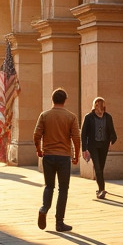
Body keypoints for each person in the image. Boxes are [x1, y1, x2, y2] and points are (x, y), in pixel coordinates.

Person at [33, 88, 82, 232]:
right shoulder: (71, 117)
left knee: (49, 186)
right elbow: (76, 138)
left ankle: (44, 208)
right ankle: (59, 222)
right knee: (63, 189)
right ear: (65, 100)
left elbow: (36, 135)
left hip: (48, 156)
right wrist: (76, 155)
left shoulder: (45, 115)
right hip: (63, 156)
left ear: (52, 100)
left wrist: (39, 149)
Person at [80, 96, 118, 200]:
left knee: (100, 167)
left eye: (101, 107)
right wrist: (84, 149)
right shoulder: (89, 117)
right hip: (93, 146)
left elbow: (113, 133)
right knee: (97, 167)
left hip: (104, 146)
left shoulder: (108, 117)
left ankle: (100, 188)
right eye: (97, 107)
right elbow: (83, 134)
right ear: (94, 107)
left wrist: (111, 141)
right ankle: (102, 189)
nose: (99, 109)